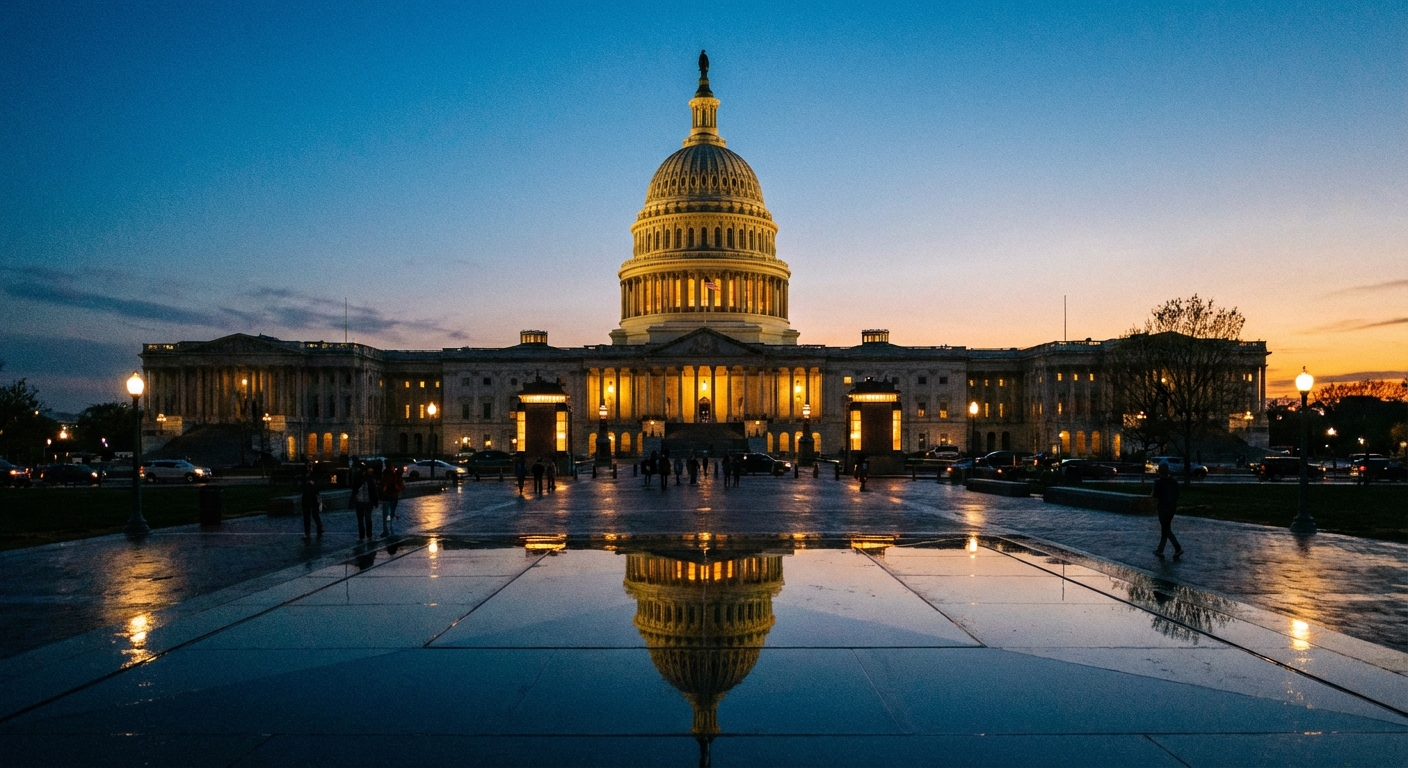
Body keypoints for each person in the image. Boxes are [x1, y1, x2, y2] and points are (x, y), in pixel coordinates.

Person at [1152, 463, 1184, 557]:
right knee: (1166, 528)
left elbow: (1154, 495)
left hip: (1162, 508)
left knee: (1166, 529)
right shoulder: (1173, 482)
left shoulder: (1159, 483)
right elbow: (1177, 495)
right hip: (1172, 508)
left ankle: (1177, 548)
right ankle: (1160, 549)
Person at [350, 464, 379, 540]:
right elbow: (374, 491)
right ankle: (369, 534)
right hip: (368, 502)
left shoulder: (357, 479)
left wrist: (352, 502)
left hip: (359, 502)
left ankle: (361, 535)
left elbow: (354, 492)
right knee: (368, 518)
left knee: (360, 520)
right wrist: (376, 502)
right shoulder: (370, 478)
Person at [380, 465, 404, 536]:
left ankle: (386, 528)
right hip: (393, 497)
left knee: (386, 514)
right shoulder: (396, 476)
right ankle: (390, 526)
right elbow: (401, 486)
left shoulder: (385, 476)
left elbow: (382, 486)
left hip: (387, 497)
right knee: (391, 513)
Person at [300, 475, 323, 540]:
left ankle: (318, 530)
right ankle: (308, 533)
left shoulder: (315, 476)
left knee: (314, 515)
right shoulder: (305, 476)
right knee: (308, 516)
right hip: (308, 498)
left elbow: (318, 487)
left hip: (312, 498)